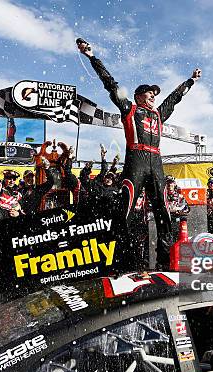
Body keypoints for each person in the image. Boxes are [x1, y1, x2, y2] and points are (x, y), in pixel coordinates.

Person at [78, 38, 201, 270]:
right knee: (124, 207)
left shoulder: (158, 114)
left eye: (154, 93)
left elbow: (174, 98)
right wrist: (92, 56)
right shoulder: (129, 109)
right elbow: (110, 84)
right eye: (148, 93)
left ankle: (165, 262)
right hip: (136, 159)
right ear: (137, 96)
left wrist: (191, 81)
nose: (153, 96)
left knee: (163, 210)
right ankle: (117, 260)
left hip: (156, 161)